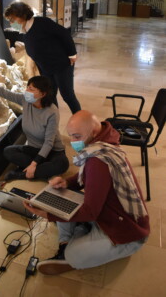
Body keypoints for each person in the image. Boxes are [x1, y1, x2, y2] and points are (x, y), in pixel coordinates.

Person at [24, 110, 150, 275]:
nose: (73, 142)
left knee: (73, 255)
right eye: (71, 136)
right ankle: (72, 237)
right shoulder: (103, 144)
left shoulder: (98, 160)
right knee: (62, 195)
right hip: (107, 213)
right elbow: (88, 176)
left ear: (95, 132)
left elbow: (90, 211)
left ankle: (71, 243)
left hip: (127, 232)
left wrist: (48, 215)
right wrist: (67, 182)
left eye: (77, 136)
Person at [0, 70, 69, 181]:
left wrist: (34, 164)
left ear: (43, 94)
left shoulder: (52, 112)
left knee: (62, 164)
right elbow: (4, 93)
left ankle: (21, 174)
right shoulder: (25, 100)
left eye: (31, 89)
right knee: (8, 151)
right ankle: (41, 172)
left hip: (52, 151)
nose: (27, 91)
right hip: (34, 149)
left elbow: (49, 143)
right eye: (27, 87)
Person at [4, 2, 81, 114]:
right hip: (46, 69)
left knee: (67, 95)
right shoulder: (24, 30)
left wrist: (72, 53)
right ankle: (53, 119)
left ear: (23, 15)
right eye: (10, 21)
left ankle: (80, 120)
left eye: (13, 19)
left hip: (61, 65)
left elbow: (64, 34)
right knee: (50, 95)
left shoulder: (42, 23)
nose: (11, 23)